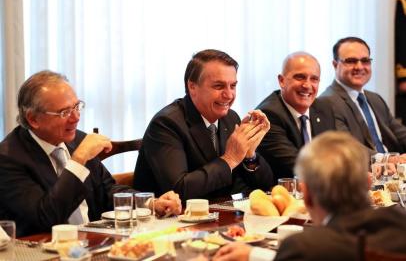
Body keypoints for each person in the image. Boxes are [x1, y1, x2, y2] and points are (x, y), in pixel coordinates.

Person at [0, 71, 182, 237]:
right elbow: (46, 218)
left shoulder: (76, 139)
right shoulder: (8, 158)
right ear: (33, 119)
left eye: (77, 107)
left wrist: (151, 203)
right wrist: (78, 160)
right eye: (65, 112)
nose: (76, 117)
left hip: (90, 243)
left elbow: (107, 190)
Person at [212, 131, 406, 261]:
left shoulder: (304, 248)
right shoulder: (400, 227)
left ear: (307, 196)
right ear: (368, 184)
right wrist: (255, 254)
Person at [134, 49, 274, 201]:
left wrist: (250, 155)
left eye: (232, 86)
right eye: (219, 86)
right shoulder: (166, 124)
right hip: (168, 220)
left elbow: (266, 185)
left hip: (217, 215)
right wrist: (230, 159)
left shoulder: (230, 118)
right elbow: (178, 190)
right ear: (192, 87)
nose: (229, 95)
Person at [319, 36, 406, 153]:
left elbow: (401, 134)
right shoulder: (326, 103)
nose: (359, 67)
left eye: (365, 61)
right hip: (364, 169)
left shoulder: (375, 99)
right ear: (335, 65)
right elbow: (348, 148)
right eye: (351, 61)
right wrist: (389, 161)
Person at [256, 52, 335, 180]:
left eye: (314, 79)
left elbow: (334, 152)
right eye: (300, 77)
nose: (307, 85)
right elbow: (299, 166)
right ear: (281, 81)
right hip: (282, 194)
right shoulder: (268, 115)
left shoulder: (323, 108)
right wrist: (346, 175)